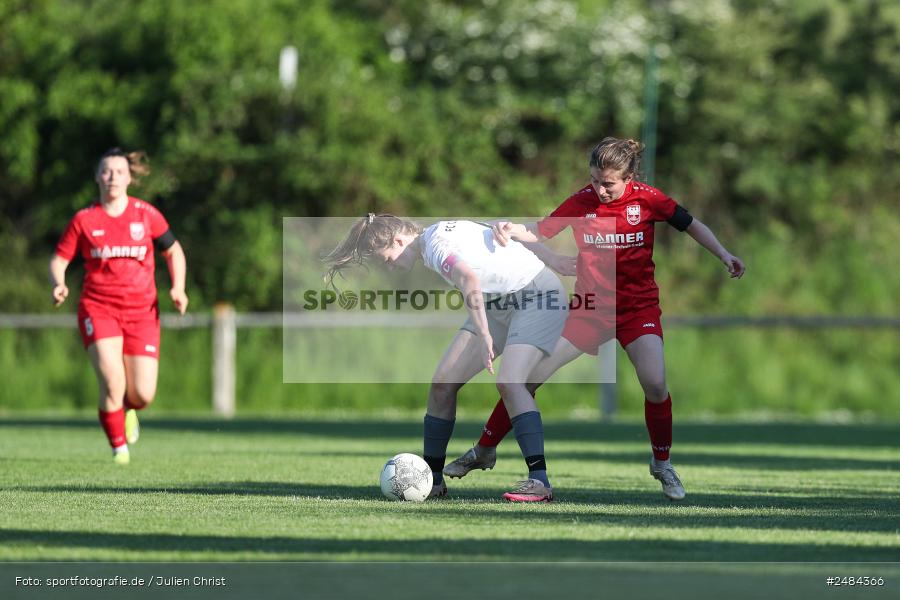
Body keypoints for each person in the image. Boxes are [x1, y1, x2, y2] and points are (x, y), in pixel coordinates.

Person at [443, 137, 746, 500]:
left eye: (609, 183)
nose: (600, 189)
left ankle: (662, 463)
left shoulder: (648, 199)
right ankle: (484, 449)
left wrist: (723, 253)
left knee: (655, 383)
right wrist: (511, 228)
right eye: (594, 180)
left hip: (637, 309)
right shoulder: (581, 201)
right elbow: (540, 230)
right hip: (589, 310)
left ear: (629, 177)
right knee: (528, 379)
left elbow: (691, 223)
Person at [325, 215, 569, 501]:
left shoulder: (435, 245)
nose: (388, 266)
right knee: (443, 383)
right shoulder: (438, 234)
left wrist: (484, 333)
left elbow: (469, 278)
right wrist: (551, 257)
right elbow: (502, 232)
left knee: (510, 382)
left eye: (386, 259)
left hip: (536, 297)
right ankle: (433, 481)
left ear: (399, 240)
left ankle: (539, 481)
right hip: (498, 303)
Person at [50, 148, 188, 465]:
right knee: (112, 380)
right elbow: (59, 259)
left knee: (142, 394)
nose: (112, 177)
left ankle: (127, 410)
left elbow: (174, 252)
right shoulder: (85, 219)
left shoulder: (147, 215)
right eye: (106, 171)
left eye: (119, 171)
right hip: (99, 308)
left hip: (143, 312)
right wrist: (58, 282)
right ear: (97, 176)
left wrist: (178, 287)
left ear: (129, 177)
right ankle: (119, 449)